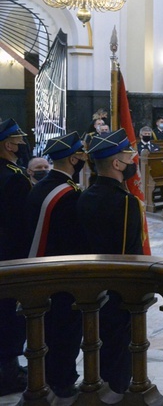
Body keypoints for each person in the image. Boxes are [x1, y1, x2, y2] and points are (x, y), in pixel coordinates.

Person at [76, 129, 144, 395]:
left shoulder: (84, 196)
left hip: (91, 286)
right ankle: (117, 392)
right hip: (118, 291)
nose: (132, 162)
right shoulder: (125, 202)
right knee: (119, 349)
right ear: (116, 164)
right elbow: (129, 254)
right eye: (128, 157)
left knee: (98, 344)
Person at [24, 132, 88, 399]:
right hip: (61, 276)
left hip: (36, 270)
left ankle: (43, 377)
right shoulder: (69, 195)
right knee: (65, 333)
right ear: (73, 159)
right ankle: (62, 381)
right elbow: (74, 242)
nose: (85, 159)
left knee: (44, 331)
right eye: (81, 155)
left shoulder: (39, 187)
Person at [0, 118, 31, 395]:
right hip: (11, 257)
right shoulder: (15, 177)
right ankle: (8, 373)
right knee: (10, 317)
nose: (23, 145)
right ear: (9, 145)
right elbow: (23, 225)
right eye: (19, 141)